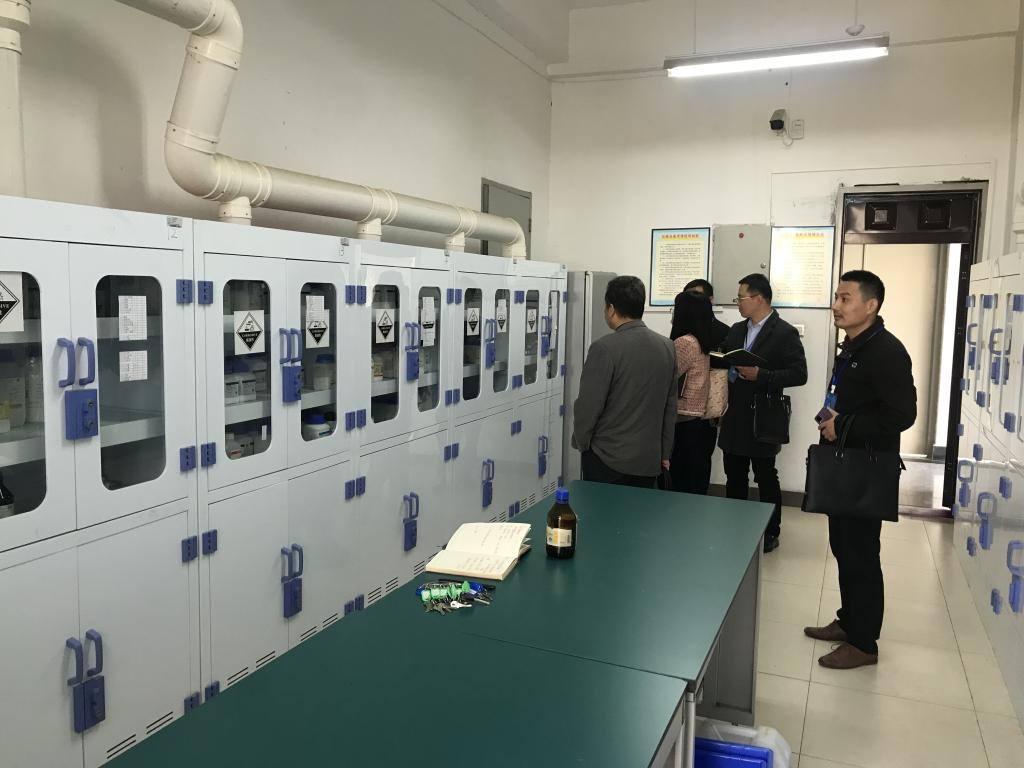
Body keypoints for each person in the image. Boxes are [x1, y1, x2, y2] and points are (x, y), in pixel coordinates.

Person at [804, 270, 916, 670]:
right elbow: (844, 398)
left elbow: (902, 415)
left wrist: (845, 426)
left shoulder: (886, 351)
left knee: (861, 554)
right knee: (844, 548)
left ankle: (864, 643)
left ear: (871, 305)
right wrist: (831, 424)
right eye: (836, 297)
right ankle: (849, 620)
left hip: (865, 469)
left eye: (845, 298)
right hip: (843, 463)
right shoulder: (853, 347)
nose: (836, 306)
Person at [715, 274, 807, 553]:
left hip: (763, 416)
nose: (738, 303)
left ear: (759, 299)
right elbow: (725, 357)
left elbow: (799, 374)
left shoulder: (784, 332)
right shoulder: (736, 329)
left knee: (765, 475)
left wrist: (762, 375)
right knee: (734, 475)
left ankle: (770, 531)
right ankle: (736, 527)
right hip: (734, 414)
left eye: (741, 298)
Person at [573, 276, 677, 487]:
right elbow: (670, 406)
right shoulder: (667, 346)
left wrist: (582, 443)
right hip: (648, 460)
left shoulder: (604, 348)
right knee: (639, 508)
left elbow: (588, 406)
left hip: (607, 458)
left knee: (603, 508)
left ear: (611, 309)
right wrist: (664, 452)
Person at [669, 291, 717, 494]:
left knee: (680, 479)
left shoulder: (685, 343)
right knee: (695, 479)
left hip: (684, 418)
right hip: (699, 419)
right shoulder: (700, 340)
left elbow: (668, 374)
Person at [683, 278, 730, 350]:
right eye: (687, 299)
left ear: (710, 300)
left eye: (697, 297)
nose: (691, 303)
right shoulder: (681, 329)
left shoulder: (726, 333)